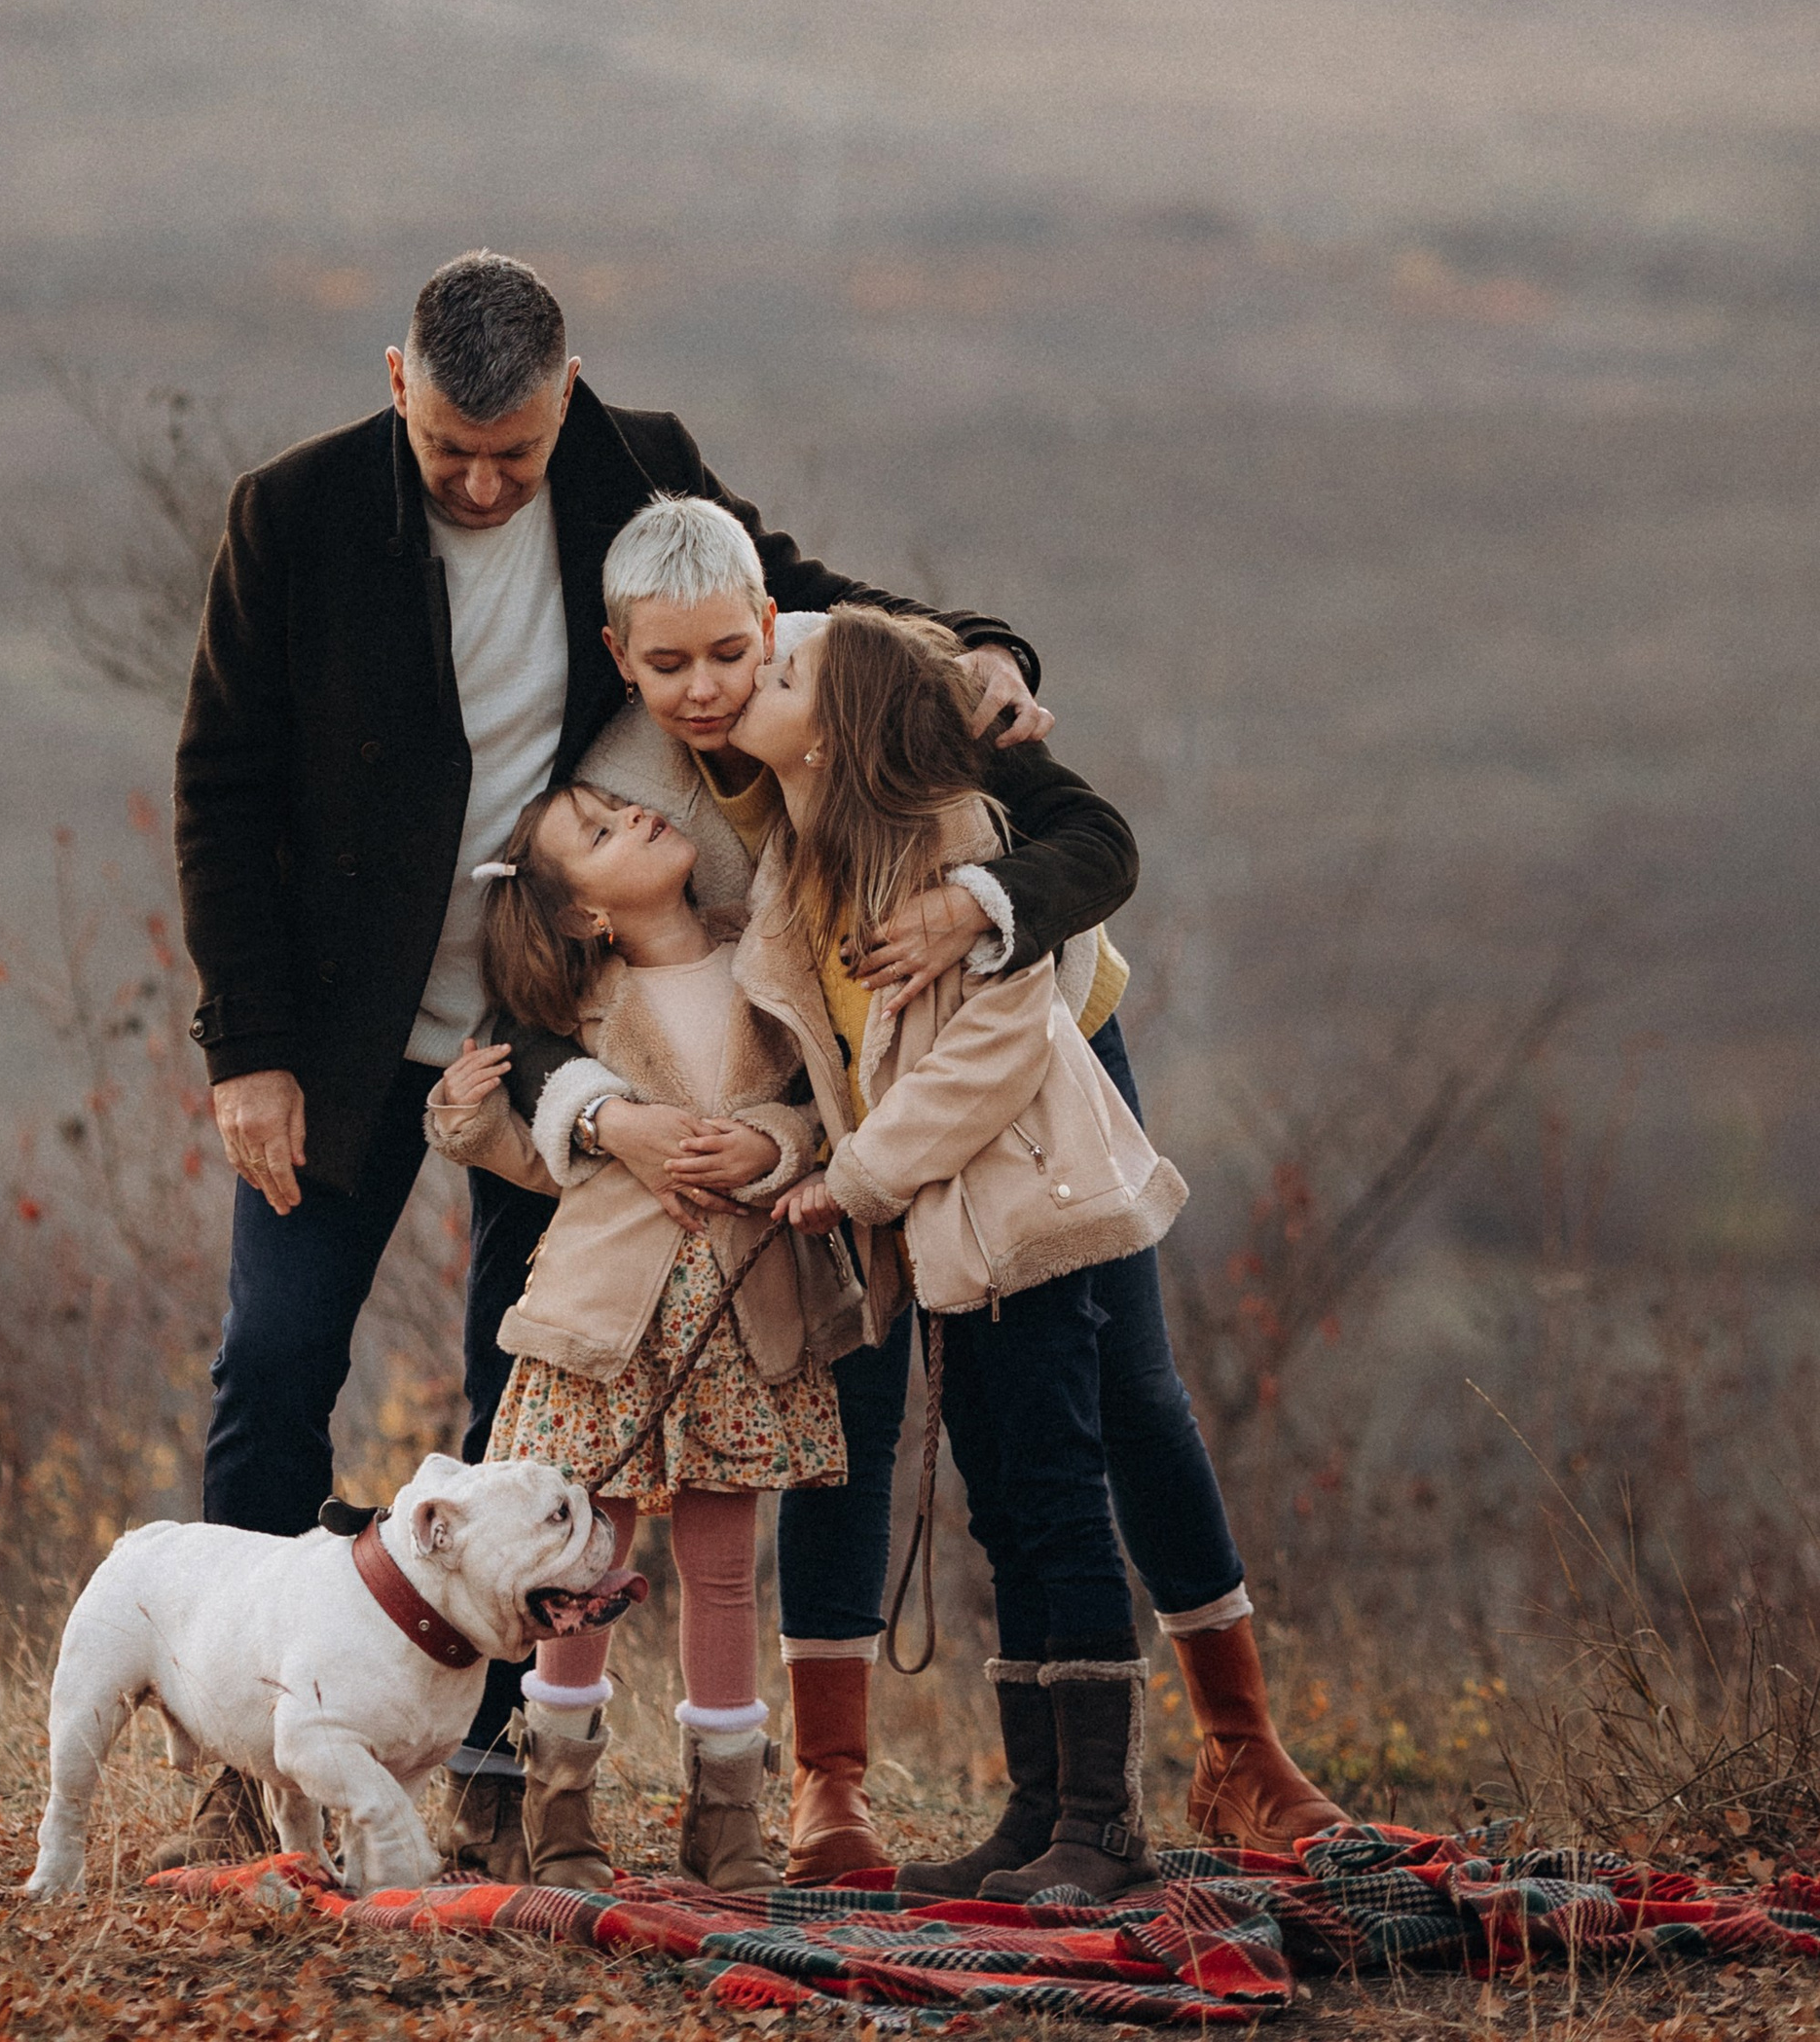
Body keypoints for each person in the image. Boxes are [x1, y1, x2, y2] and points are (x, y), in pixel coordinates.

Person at [167, 247, 1056, 1872]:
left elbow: (787, 600)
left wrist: (976, 644)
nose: (484, 483)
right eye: (451, 450)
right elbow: (221, 786)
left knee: (537, 1422)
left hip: (562, 1028)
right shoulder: (288, 516)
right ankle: (241, 1777)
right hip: (350, 1041)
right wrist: (250, 1047)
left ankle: (497, 1773)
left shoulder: (633, 462)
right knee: (276, 1364)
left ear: (566, 398)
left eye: (514, 450)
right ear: (395, 384)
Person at [601, 495, 1346, 1870]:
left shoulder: (880, 703)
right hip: (879, 1131)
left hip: (1022, 1123)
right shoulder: (658, 786)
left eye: (739, 656)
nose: (713, 688)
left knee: (1105, 1419)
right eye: (670, 663)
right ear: (618, 653)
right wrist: (776, 1146)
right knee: (934, 1448)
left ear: (769, 624)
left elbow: (1085, 863)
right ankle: (912, 1792)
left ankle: (1193, 1770)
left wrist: (983, 907)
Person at [741, 608, 1188, 1897]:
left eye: (782, 670)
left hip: (1025, 1218)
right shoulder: (805, 865)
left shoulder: (961, 843)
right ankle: (1038, 1812)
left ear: (834, 735)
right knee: (1002, 1503)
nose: (757, 675)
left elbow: (992, 1054)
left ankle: (1102, 1824)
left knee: (1055, 1496)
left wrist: (855, 1181)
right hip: (948, 1237)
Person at [425, 769, 860, 1888]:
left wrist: (773, 1145)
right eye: (604, 830)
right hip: (603, 1332)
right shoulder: (578, 1016)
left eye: (623, 808)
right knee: (585, 1560)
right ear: (586, 912)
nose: (640, 816)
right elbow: (546, 1165)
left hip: (739, 1326)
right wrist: (466, 1121)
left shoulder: (763, 960)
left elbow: (823, 1100)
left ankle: (727, 1824)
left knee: (724, 1571)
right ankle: (560, 1814)